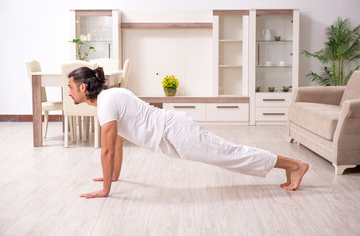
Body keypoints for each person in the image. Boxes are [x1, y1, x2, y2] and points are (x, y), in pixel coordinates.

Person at [67, 66, 309, 199]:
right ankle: (289, 166)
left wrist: (105, 190)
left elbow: (107, 151)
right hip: (173, 131)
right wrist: (114, 178)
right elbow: (117, 144)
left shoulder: (106, 104)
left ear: (83, 87)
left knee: (230, 154)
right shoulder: (110, 98)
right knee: (229, 155)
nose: (68, 92)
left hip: (175, 131)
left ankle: (293, 165)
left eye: (70, 87)